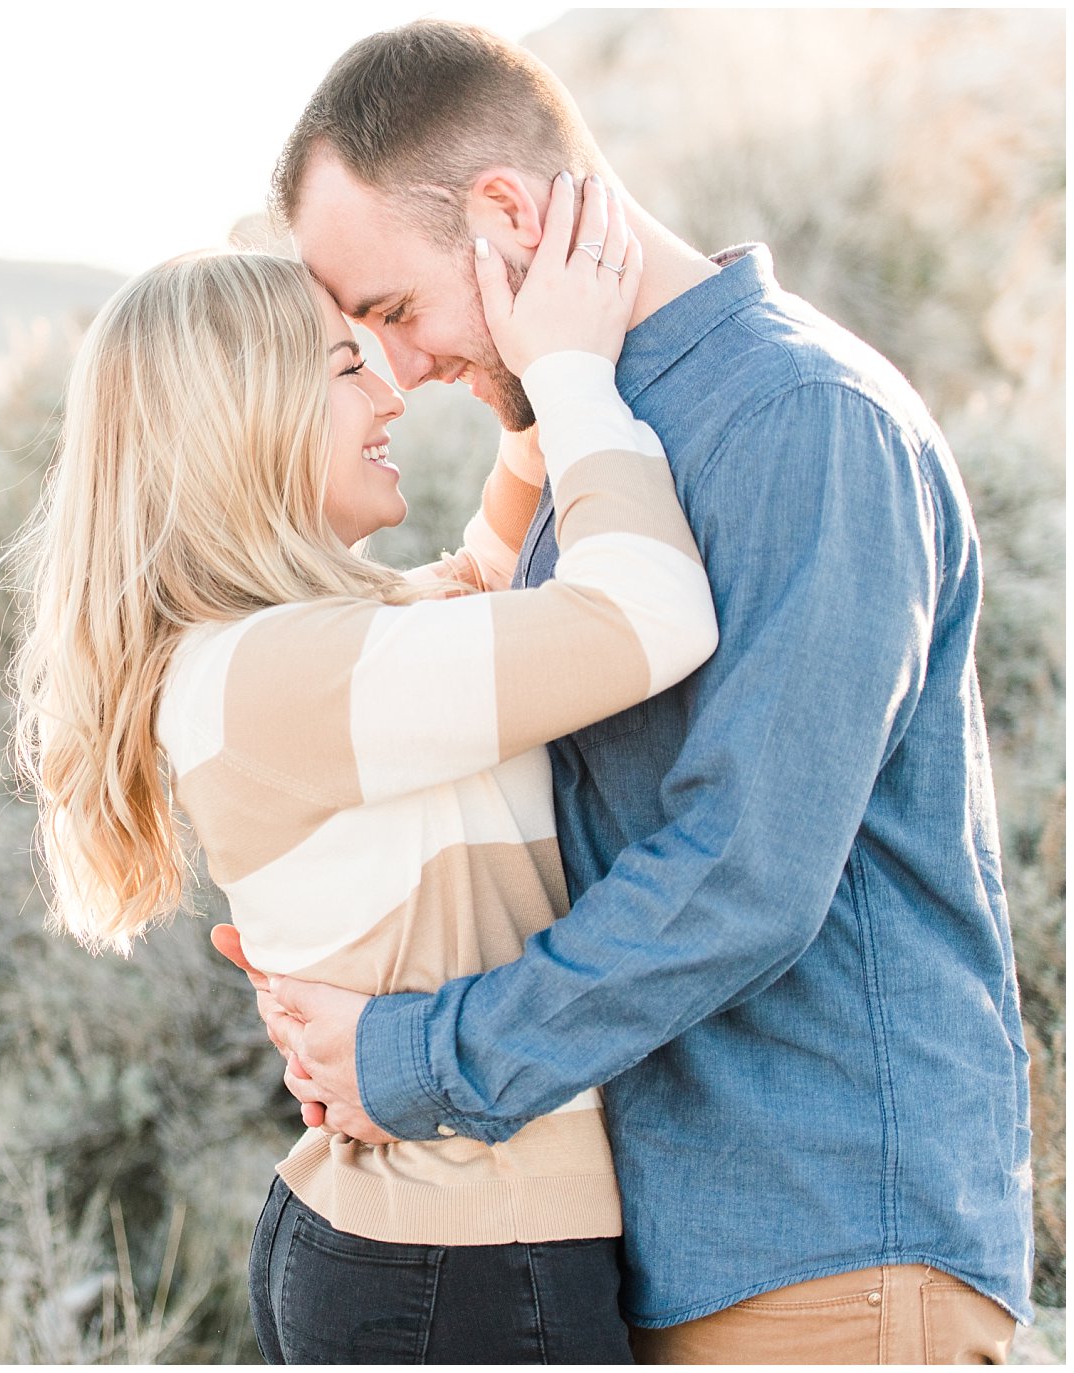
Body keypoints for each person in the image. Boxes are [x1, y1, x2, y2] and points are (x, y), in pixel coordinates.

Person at [226, 20, 1032, 1364]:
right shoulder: (598, 440)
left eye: (394, 312)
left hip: (828, 1248)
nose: (403, 371)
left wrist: (419, 1056)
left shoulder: (798, 421)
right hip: (685, 1240)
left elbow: (746, 869)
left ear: (502, 212)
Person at [9, 175, 721, 1361]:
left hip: (419, 1255)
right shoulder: (289, 672)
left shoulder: (271, 660)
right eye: (347, 369)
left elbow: (477, 585)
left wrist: (521, 391)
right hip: (465, 1269)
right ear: (249, 419)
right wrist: (573, 379)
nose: (387, 388)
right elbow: (647, 619)